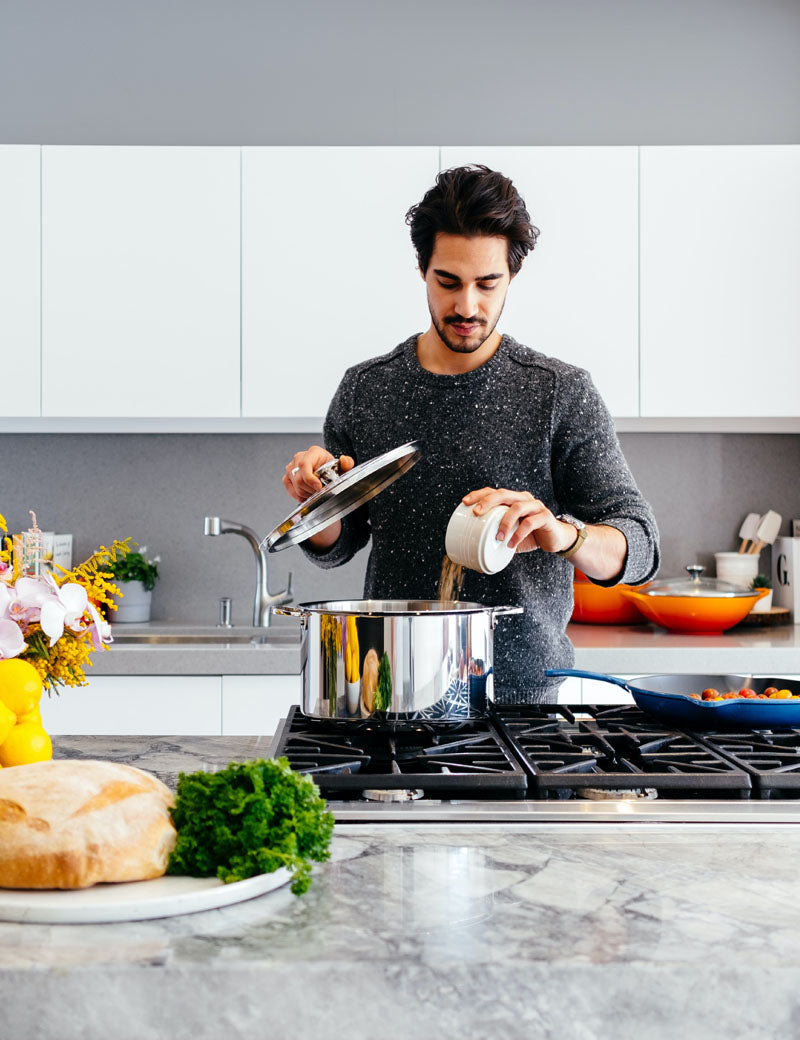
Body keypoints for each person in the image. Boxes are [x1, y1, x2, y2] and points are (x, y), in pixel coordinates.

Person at [281, 165, 659, 703]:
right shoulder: (366, 389)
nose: (466, 307)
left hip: (522, 702)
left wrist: (563, 534)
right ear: (421, 269)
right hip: (392, 692)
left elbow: (639, 545)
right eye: (448, 282)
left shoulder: (559, 392)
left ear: (512, 275)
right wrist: (315, 505)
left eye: (487, 284)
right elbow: (339, 545)